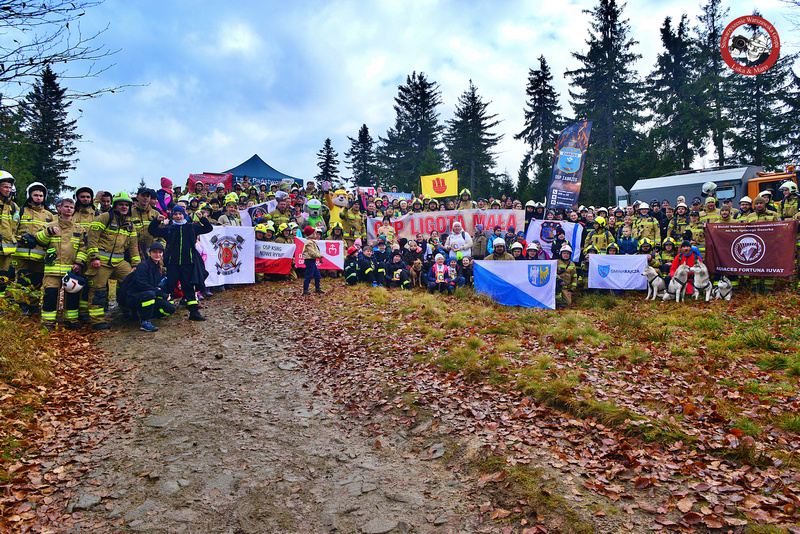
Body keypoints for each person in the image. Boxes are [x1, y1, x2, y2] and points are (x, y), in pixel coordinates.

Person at [147, 205, 213, 321]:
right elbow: (152, 230)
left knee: (188, 287)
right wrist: (157, 221)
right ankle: (164, 309)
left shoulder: (191, 227)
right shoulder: (169, 228)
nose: (178, 216)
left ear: (184, 215)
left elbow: (208, 228)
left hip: (188, 264)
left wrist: (202, 218)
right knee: (169, 286)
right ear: (172, 215)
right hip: (172, 264)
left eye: (180, 214)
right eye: (175, 214)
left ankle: (194, 312)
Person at [86, 192, 140, 330]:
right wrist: (94, 257)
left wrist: (136, 265)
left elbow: (133, 248)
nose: (124, 207)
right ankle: (97, 320)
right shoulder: (104, 218)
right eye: (121, 204)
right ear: (115, 205)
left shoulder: (130, 225)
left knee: (133, 281)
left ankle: (128, 309)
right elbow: (92, 238)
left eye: (126, 205)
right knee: (98, 290)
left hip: (119, 262)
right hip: (101, 262)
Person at [36, 197, 87, 329]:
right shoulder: (49, 226)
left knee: (72, 297)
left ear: (74, 210)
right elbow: (39, 240)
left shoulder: (79, 229)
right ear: (60, 208)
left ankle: (71, 321)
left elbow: (83, 248)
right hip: (51, 270)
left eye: (71, 207)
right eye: (66, 207)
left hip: (71, 270)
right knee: (50, 295)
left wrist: (79, 263)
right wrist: (48, 233)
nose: (69, 209)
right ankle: (48, 322)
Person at [12, 182, 55, 315]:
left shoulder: (49, 215)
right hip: (22, 255)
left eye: (41, 195)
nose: (38, 197)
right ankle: (22, 305)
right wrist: (21, 238)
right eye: (35, 195)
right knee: (22, 280)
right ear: (29, 195)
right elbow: (12, 230)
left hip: (40, 256)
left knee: (37, 281)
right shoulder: (20, 211)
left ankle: (34, 305)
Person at [120, 242, 176, 332]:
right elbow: (142, 285)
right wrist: (162, 294)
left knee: (171, 308)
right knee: (150, 294)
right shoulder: (143, 266)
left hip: (149, 293)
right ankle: (145, 322)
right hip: (134, 296)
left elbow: (160, 284)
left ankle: (146, 314)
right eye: (155, 252)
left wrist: (167, 293)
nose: (157, 255)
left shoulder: (159, 268)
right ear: (150, 253)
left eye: (160, 252)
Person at [0, 171, 19, 300]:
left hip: (7, 252)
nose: (8, 190)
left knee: (4, 280)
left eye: (9, 187)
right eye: (5, 186)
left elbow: (17, 227)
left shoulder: (13, 207)